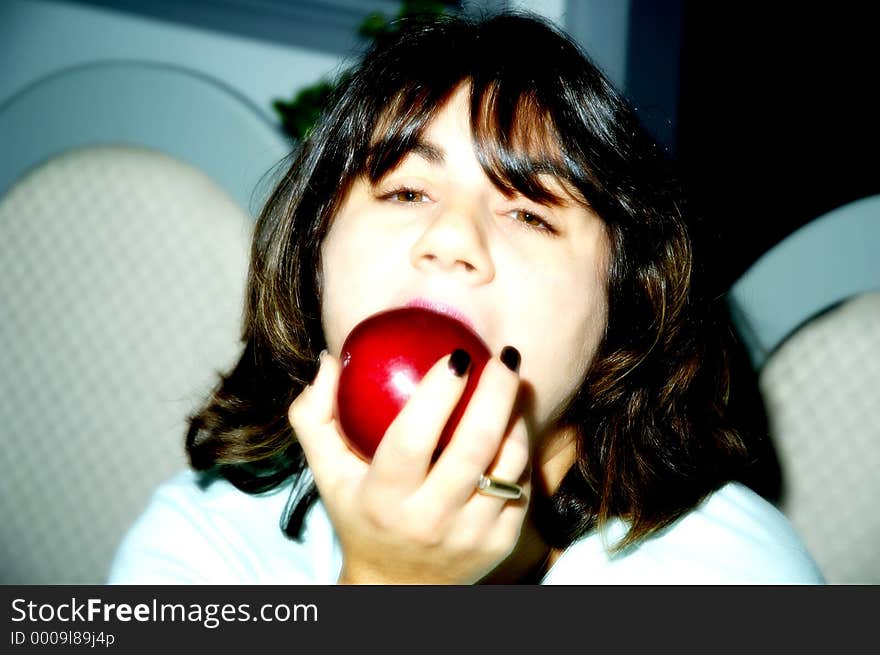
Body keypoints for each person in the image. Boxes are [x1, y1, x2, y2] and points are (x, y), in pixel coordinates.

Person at [109, 11, 823, 584]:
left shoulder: (728, 577)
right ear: (314, 256)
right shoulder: (206, 538)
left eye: (530, 213)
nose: (450, 238)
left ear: (626, 304)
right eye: (408, 191)